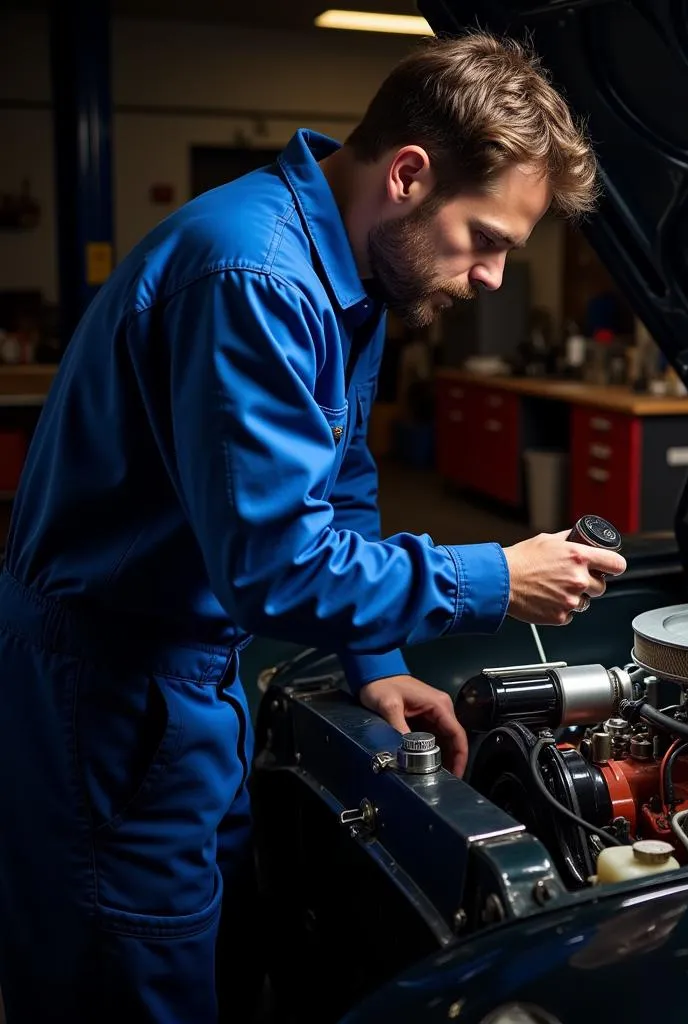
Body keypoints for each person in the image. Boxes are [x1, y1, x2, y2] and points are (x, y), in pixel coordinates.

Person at [0, 29, 627, 1024]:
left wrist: (375, 658)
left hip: (195, 682)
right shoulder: (255, 277)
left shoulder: (352, 274)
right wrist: (494, 579)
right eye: (489, 240)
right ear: (410, 175)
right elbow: (276, 564)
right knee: (130, 984)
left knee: (218, 959)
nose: (494, 279)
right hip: (110, 701)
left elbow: (335, 485)